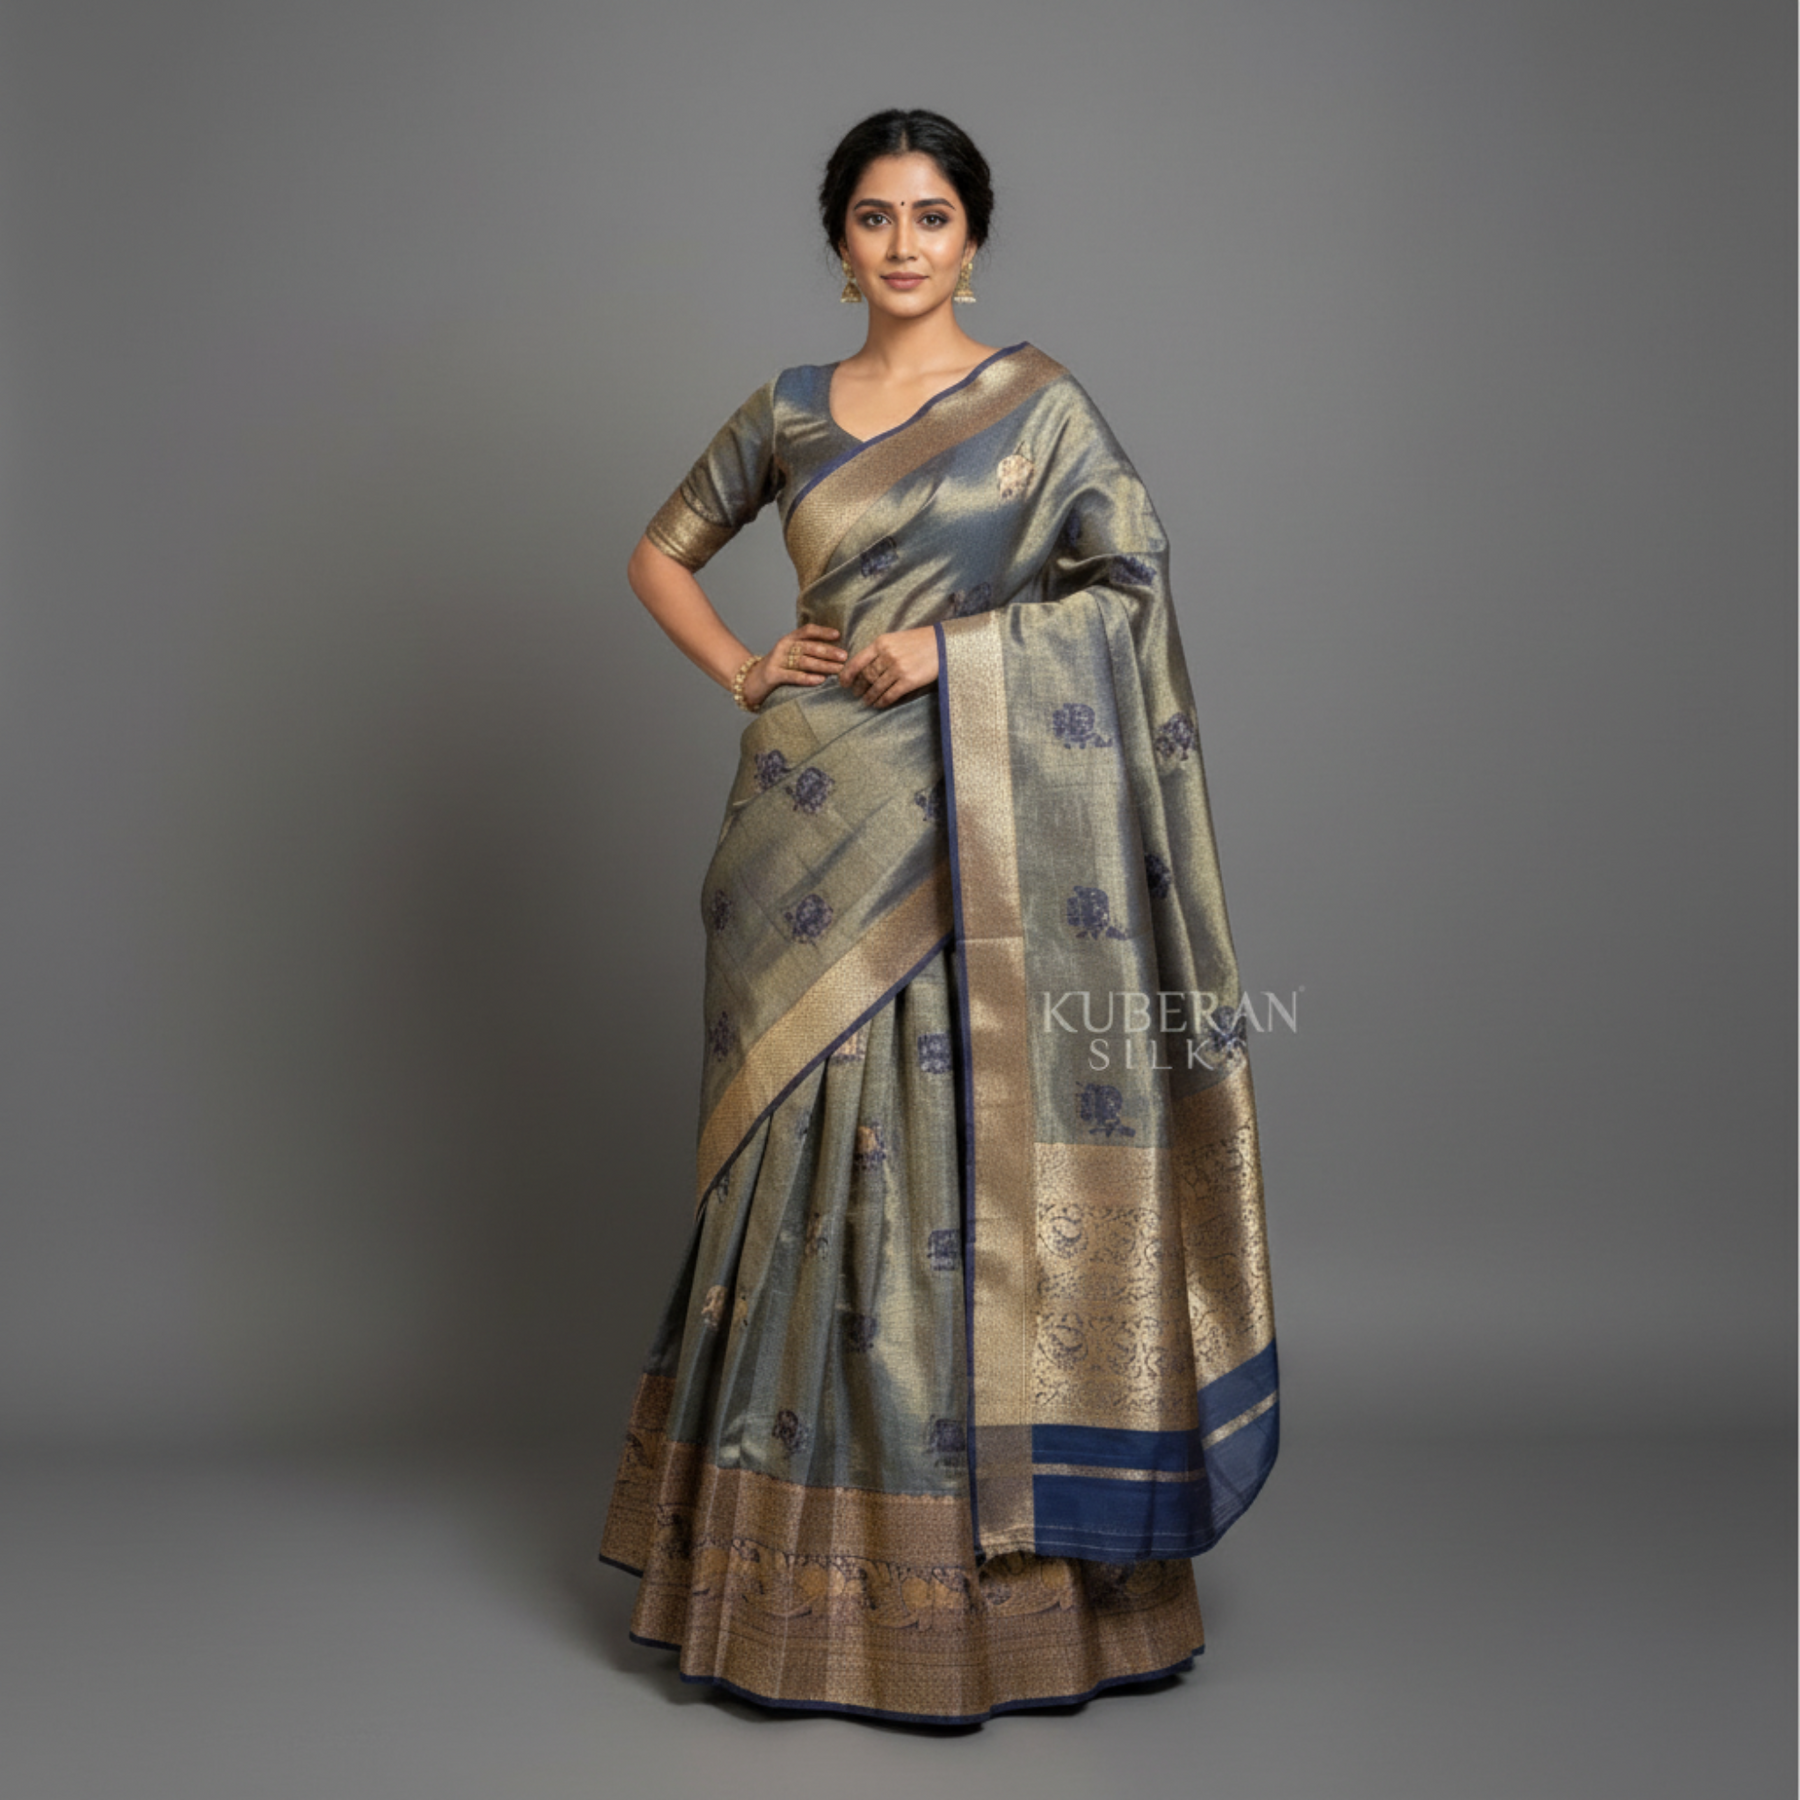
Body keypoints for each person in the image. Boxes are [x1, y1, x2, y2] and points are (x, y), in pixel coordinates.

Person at [598, 106, 1278, 1725]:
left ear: (974, 240)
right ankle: (779, 1590)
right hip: (806, 828)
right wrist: (747, 668)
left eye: (932, 217)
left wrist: (960, 653)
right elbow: (659, 554)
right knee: (801, 1170)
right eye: (874, 217)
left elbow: (1128, 591)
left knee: (958, 1168)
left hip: (979, 842)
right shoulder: (785, 409)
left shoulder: (1044, 414)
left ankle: (1008, 1601)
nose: (903, 245)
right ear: (837, 242)